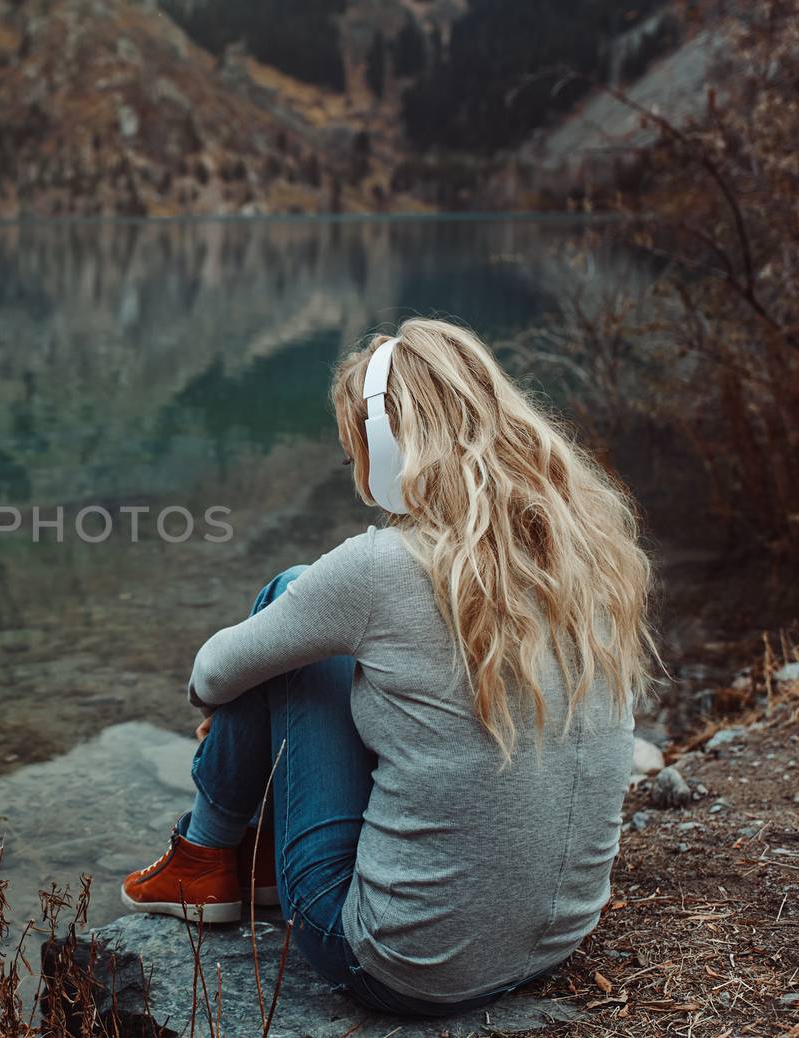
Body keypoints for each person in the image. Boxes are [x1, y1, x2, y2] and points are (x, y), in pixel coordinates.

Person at [120, 318, 658, 1016]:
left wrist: (241, 707)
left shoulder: (380, 569)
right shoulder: (589, 552)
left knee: (288, 593)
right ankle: (227, 862)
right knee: (324, 635)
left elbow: (212, 675)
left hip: (403, 965)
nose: (355, 474)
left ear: (387, 441)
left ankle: (206, 854)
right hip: (556, 939)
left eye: (355, 454)